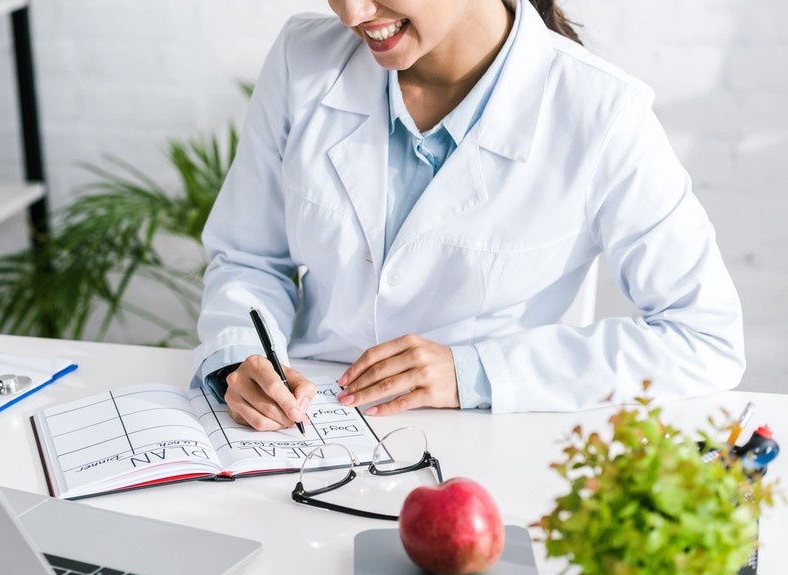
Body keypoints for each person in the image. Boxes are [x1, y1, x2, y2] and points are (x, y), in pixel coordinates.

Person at [191, 0, 745, 429]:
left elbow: (703, 337)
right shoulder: (302, 60)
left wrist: (475, 372)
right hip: (306, 428)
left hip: (487, 439)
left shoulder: (604, 114)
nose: (352, 13)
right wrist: (241, 356)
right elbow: (248, 256)